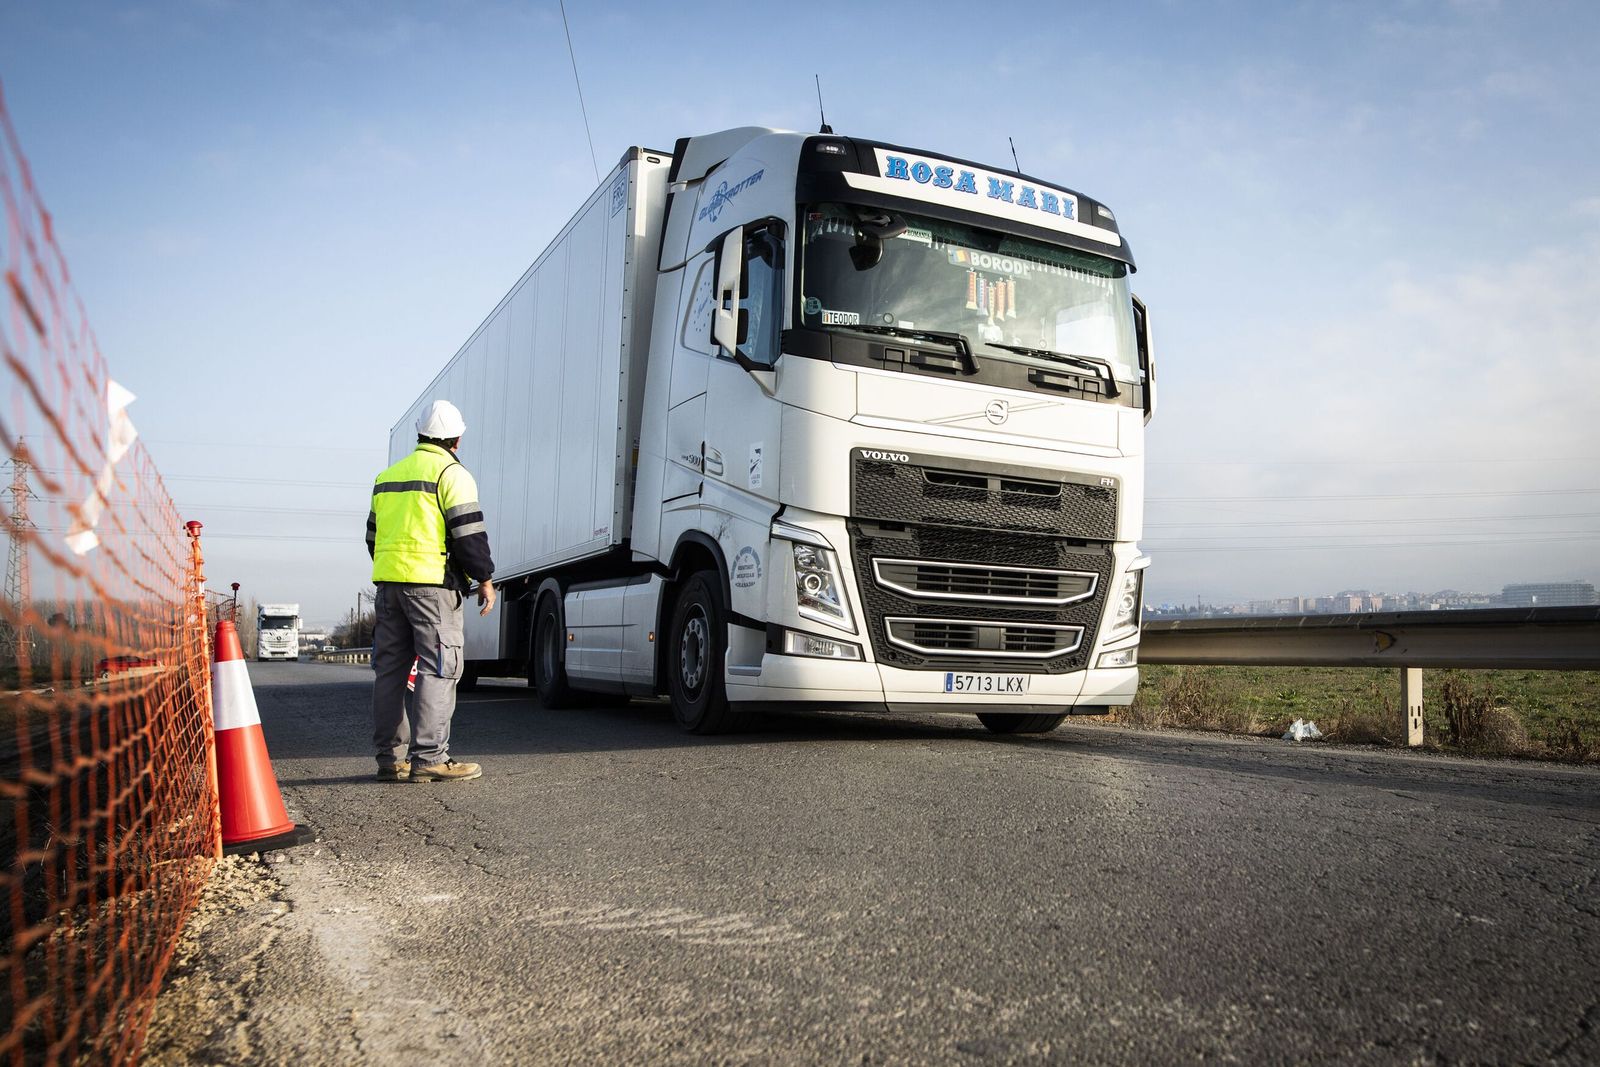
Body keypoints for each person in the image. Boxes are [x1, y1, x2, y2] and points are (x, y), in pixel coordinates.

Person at [366, 399, 496, 783]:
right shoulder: (452, 474)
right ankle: (429, 758)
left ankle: (390, 759)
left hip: (389, 588)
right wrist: (484, 578)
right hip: (433, 588)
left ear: (420, 434)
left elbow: (372, 537)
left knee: (389, 671)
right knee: (439, 668)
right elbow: (469, 536)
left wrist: (393, 571)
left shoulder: (388, 476)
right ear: (456, 439)